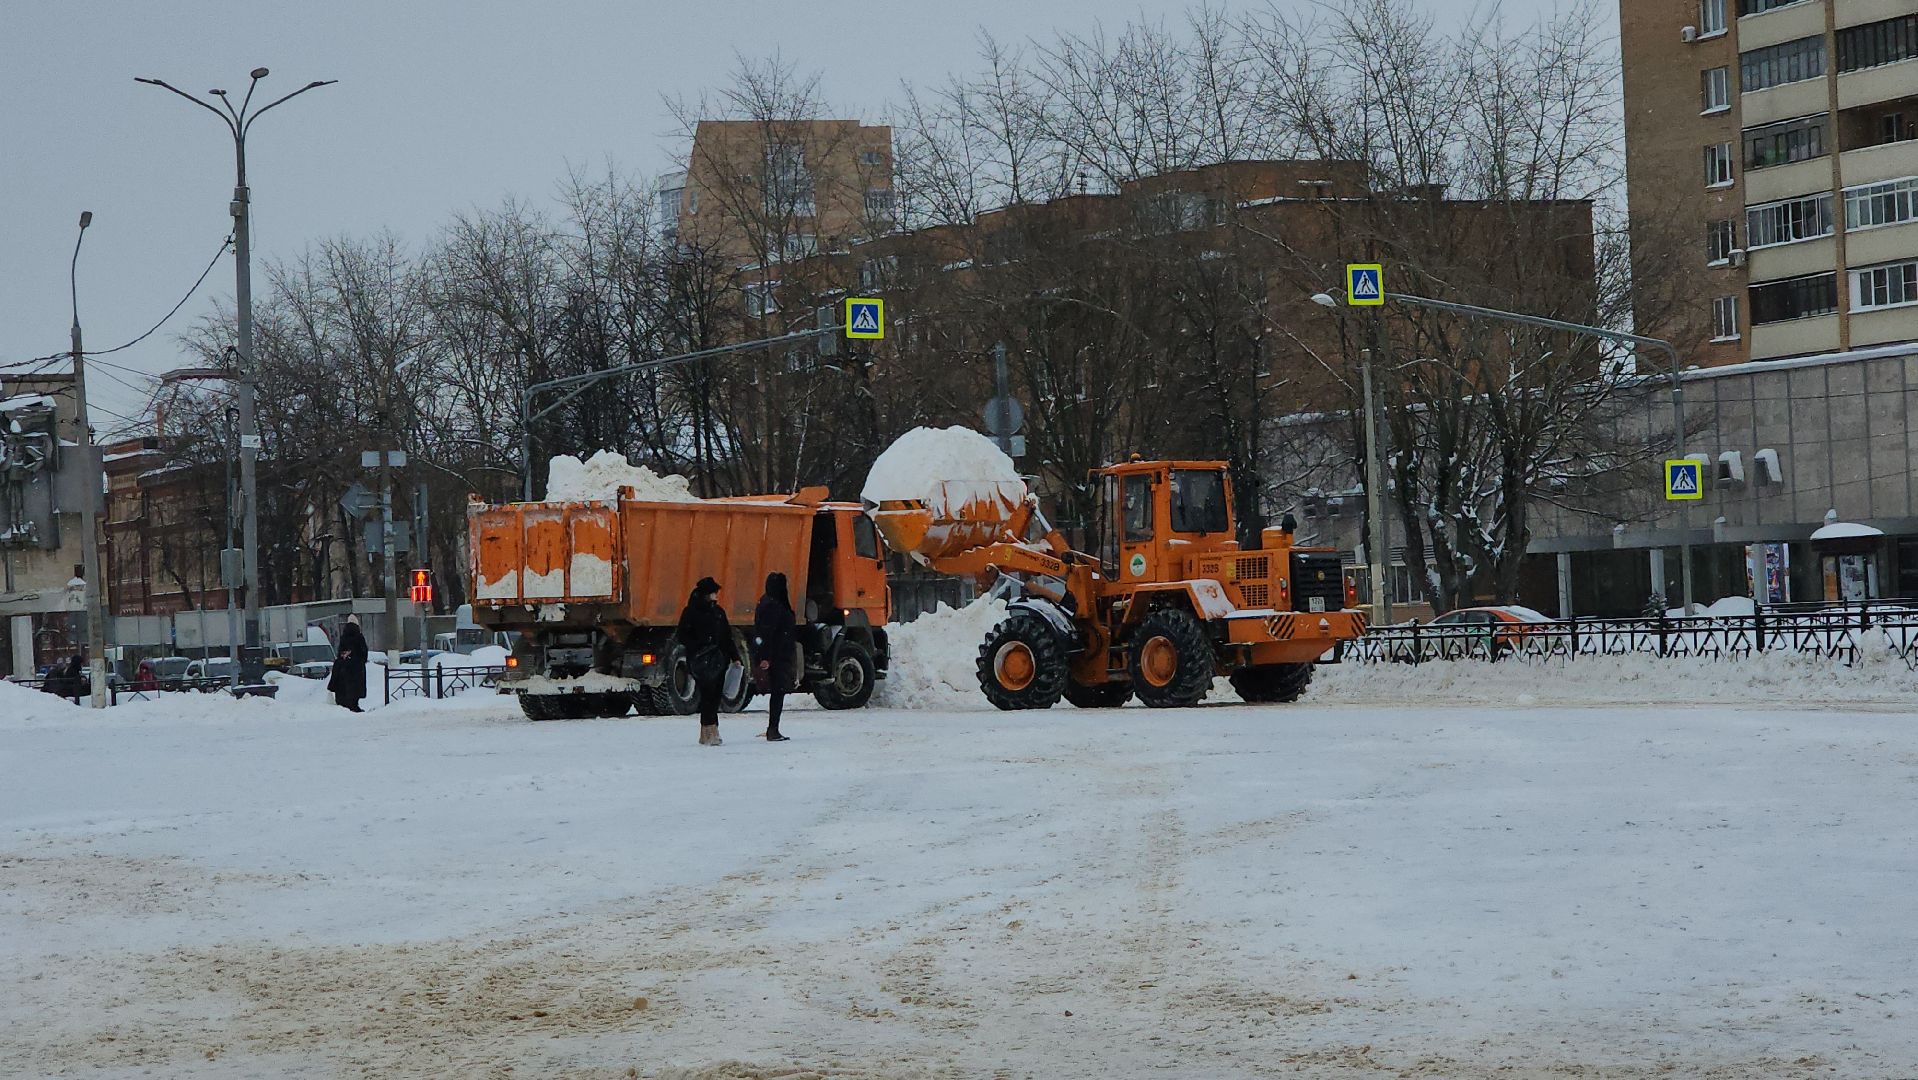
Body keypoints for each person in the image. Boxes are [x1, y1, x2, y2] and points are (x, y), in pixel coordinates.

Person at [675, 576, 739, 746]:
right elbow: (682, 635)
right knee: (707, 695)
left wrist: (735, 656)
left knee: (716, 695)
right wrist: (699, 646)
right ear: (706, 594)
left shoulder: (718, 613)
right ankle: (708, 730)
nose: (716, 596)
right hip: (700, 661)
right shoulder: (691, 612)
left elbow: (727, 637)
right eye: (713, 593)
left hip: (719, 660)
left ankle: (711, 729)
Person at [753, 572, 797, 742]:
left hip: (777, 654)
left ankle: (773, 728)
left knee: (778, 691)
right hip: (778, 655)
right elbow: (768, 632)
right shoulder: (775, 605)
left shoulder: (766, 602)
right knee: (778, 691)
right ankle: (773, 729)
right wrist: (765, 657)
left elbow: (763, 632)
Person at [327, 615, 369, 712]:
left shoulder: (344, 637)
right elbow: (364, 653)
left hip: (343, 668)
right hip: (356, 669)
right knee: (354, 690)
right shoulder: (359, 636)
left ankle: (343, 706)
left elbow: (339, 653)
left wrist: (345, 656)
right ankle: (354, 705)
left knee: (343, 689)